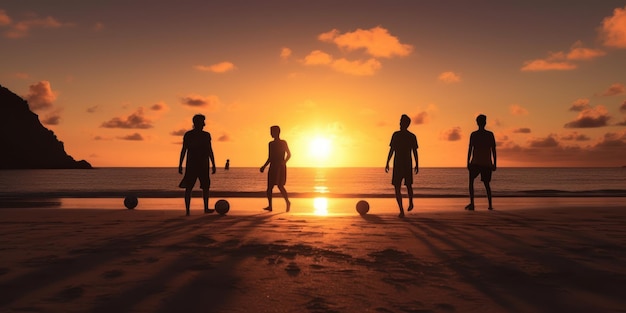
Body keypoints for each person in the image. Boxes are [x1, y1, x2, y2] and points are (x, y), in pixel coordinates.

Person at [178, 114, 217, 216]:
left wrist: (213, 163)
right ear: (197, 123)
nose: (204, 124)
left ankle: (205, 208)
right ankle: (188, 210)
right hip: (193, 164)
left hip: (202, 164)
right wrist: (180, 164)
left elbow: (209, 150)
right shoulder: (189, 135)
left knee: (205, 187)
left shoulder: (206, 135)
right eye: (202, 122)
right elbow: (184, 150)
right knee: (189, 187)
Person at [385, 114, 419, 218]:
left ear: (406, 124)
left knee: (408, 185)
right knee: (397, 187)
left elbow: (414, 151)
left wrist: (417, 164)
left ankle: (410, 202)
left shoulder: (411, 136)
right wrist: (387, 162)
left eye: (402, 121)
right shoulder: (396, 135)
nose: (400, 123)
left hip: (406, 164)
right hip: (398, 164)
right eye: (400, 121)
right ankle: (401, 210)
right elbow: (392, 150)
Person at [466, 114, 497, 211]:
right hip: (486, 162)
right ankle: (490, 205)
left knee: (471, 182)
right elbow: (494, 150)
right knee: (486, 184)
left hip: (476, 162)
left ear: (477, 123)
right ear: (485, 122)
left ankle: (472, 203)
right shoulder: (489, 134)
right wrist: (494, 163)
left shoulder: (474, 134)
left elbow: (470, 149)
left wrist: (467, 162)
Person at [260, 125, 291, 212]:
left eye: (272, 132)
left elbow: (289, 154)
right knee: (269, 187)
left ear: (277, 132)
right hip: (272, 166)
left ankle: (287, 202)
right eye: (270, 132)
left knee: (280, 185)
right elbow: (270, 157)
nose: (271, 133)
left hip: (280, 166)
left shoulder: (283, 142)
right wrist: (264, 166)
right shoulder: (271, 144)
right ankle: (270, 206)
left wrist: (284, 162)